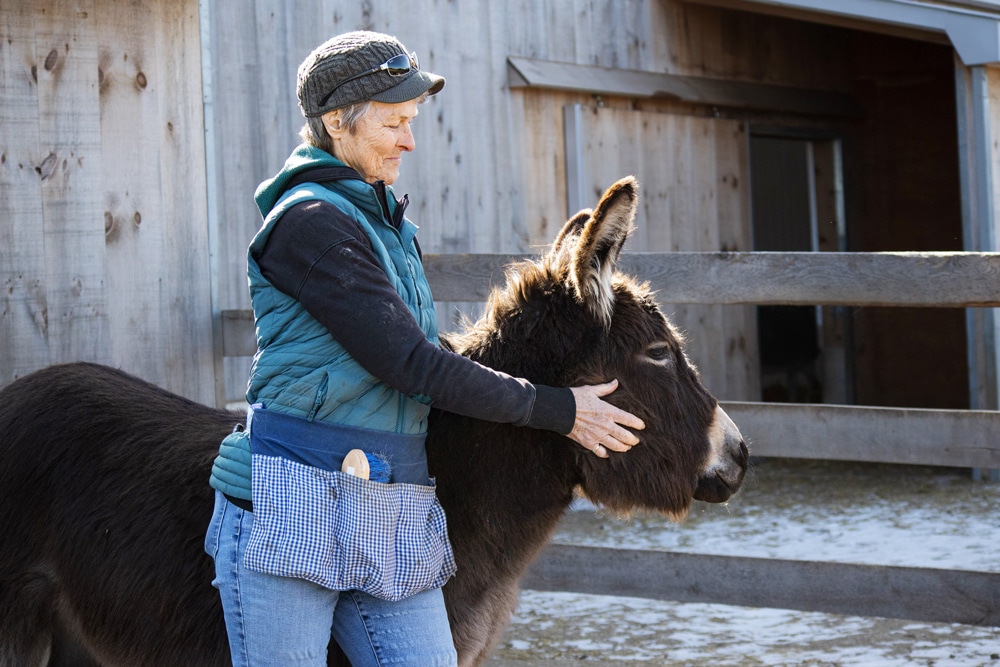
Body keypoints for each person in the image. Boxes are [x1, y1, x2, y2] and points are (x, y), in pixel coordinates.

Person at [204, 30, 645, 667]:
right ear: (336, 122)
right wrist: (560, 409)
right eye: (393, 123)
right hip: (293, 501)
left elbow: (414, 347)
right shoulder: (310, 223)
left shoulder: (383, 224)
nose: (410, 140)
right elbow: (409, 364)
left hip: (387, 503)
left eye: (411, 121)